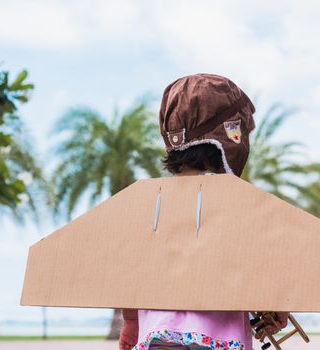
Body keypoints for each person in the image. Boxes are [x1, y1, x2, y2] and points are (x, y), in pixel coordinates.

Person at [119, 74, 289, 350]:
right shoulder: (232, 202)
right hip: (218, 336)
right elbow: (248, 263)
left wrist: (131, 321)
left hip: (158, 334)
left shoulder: (153, 204)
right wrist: (273, 303)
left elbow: (133, 268)